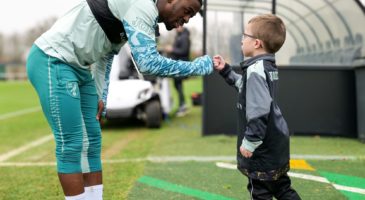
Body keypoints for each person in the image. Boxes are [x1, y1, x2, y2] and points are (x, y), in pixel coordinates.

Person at [26, 0, 211, 199]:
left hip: (79, 68)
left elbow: (106, 54)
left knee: (93, 141)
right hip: (52, 59)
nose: (185, 20)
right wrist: (197, 67)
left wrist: (100, 94)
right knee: (72, 143)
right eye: (188, 11)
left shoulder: (145, 11)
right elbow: (147, 63)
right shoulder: (142, 5)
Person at [213, 14, 301, 200]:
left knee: (260, 191)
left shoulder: (255, 71)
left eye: (245, 35)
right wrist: (226, 70)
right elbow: (245, 88)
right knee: (282, 188)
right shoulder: (266, 66)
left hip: (262, 149)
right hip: (275, 144)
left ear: (256, 43)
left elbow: (260, 109)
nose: (242, 39)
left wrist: (250, 141)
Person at [165, 26, 190, 117]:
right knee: (177, 85)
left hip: (181, 65)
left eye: (179, 26)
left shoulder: (184, 37)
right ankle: (181, 105)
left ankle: (183, 106)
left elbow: (184, 51)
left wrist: (172, 49)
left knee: (178, 85)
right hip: (177, 65)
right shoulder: (178, 36)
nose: (177, 27)